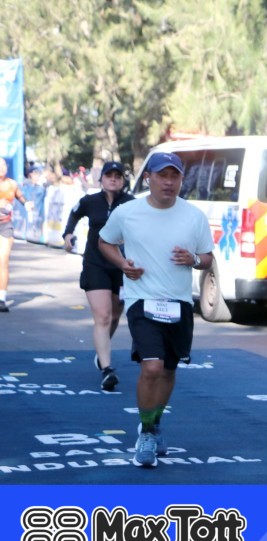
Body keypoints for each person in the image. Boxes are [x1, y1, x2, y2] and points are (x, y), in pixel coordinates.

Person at [98, 152, 214, 468]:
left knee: (168, 371)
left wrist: (193, 259)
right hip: (142, 300)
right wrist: (123, 264)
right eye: (162, 175)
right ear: (148, 177)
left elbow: (207, 257)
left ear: (181, 179)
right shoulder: (127, 212)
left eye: (174, 176)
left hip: (179, 303)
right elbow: (104, 242)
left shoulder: (194, 216)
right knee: (151, 367)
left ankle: (155, 422)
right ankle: (146, 433)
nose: (169, 182)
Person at [62, 161, 135, 390]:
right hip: (95, 264)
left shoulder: (132, 204)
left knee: (114, 316)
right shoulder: (90, 201)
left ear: (123, 180)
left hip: (122, 266)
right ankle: (107, 369)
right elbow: (74, 214)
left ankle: (102, 352)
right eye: (109, 175)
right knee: (102, 316)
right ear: (101, 179)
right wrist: (68, 234)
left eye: (117, 176)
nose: (113, 179)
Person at [0, 158, 32, 312]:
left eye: (3, 165)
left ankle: (1, 299)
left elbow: (20, 196)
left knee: (3, 261)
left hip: (5, 226)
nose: (2, 168)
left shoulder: (12, 184)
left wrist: (26, 203)